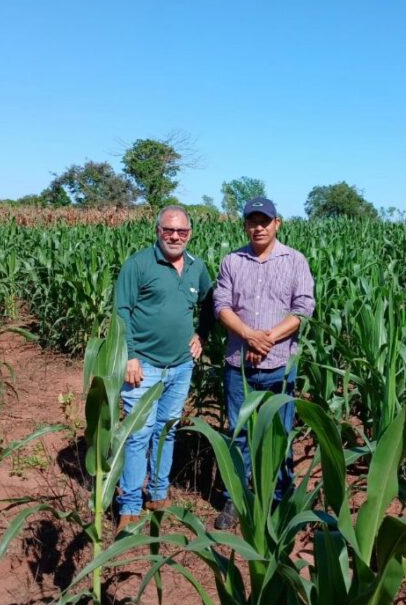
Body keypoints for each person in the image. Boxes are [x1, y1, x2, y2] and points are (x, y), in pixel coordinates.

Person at [212, 196, 315, 529]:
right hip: (238, 365)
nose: (258, 227)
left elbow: (303, 309)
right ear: (245, 225)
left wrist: (266, 338)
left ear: (277, 224)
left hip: (279, 365)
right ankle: (234, 500)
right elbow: (221, 305)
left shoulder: (295, 261)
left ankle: (279, 501)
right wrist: (248, 335)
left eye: (264, 221)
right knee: (237, 434)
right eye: (252, 222)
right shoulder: (232, 261)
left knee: (279, 434)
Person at [113, 205, 214, 530]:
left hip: (181, 366)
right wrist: (129, 355)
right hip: (144, 366)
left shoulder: (197, 268)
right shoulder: (139, 264)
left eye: (181, 231)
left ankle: (158, 494)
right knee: (138, 434)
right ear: (157, 231)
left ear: (190, 234)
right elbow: (121, 311)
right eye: (168, 230)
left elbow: (212, 305)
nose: (174, 236)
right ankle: (129, 504)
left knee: (166, 432)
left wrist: (203, 335)